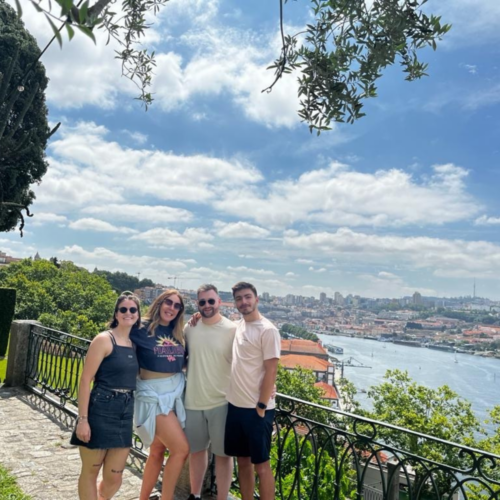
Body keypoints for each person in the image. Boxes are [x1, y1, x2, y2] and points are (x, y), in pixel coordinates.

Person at [71, 291, 141, 500]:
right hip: (101, 407)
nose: (128, 313)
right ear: (116, 313)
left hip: (125, 410)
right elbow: (85, 381)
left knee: (114, 477)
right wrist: (82, 420)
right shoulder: (104, 339)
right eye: (123, 309)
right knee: (91, 471)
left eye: (132, 309)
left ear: (138, 314)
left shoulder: (135, 344)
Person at [224, 282, 281, 500]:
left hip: (257, 409)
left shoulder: (268, 330)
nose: (243, 302)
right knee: (243, 462)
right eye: (239, 298)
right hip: (236, 406)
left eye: (247, 297)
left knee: (262, 465)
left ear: (256, 299)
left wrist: (261, 406)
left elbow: (271, 370)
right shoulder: (238, 325)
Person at [131, 289, 189, 500]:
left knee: (157, 451)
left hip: (174, 395)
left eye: (177, 306)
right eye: (168, 303)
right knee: (181, 449)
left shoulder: (179, 333)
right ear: (159, 303)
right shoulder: (140, 328)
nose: (172, 308)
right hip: (153, 397)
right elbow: (116, 338)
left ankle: (143, 498)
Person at [183, 284, 236, 500]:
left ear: (219, 302)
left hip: (222, 402)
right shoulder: (190, 328)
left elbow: (244, 364)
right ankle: (195, 495)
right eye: (202, 302)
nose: (207, 305)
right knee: (196, 452)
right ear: (198, 304)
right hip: (193, 400)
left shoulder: (232, 329)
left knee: (223, 455)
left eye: (211, 301)